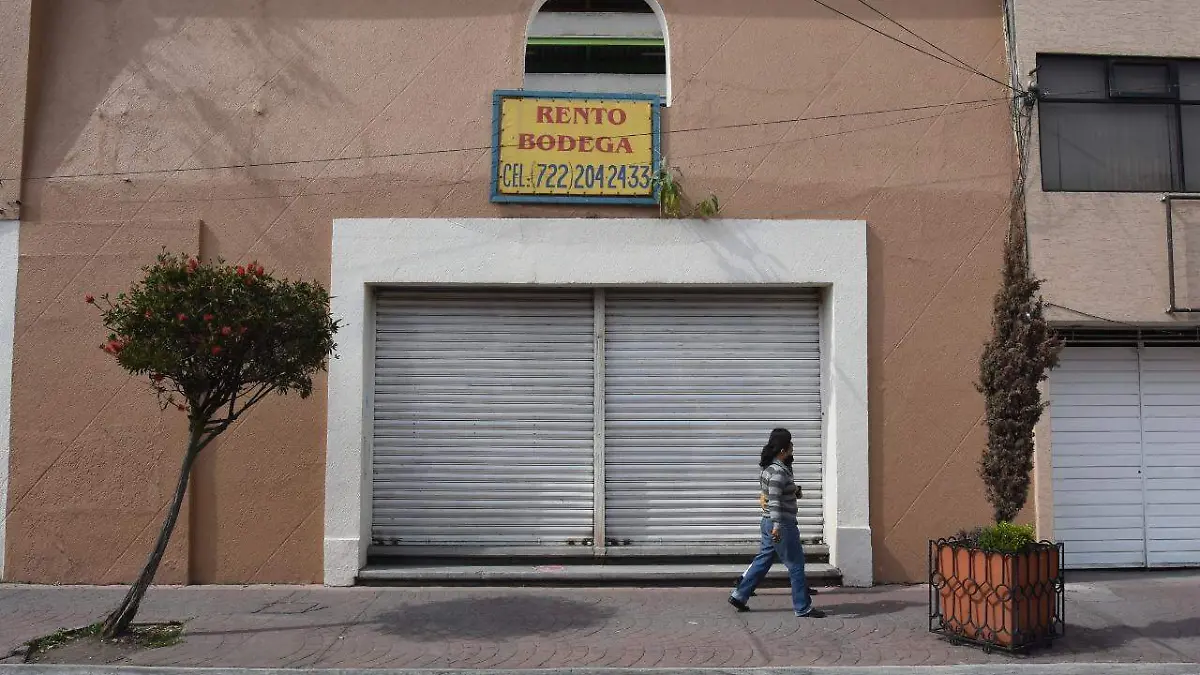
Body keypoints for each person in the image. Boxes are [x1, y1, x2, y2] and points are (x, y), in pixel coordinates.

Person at [728, 428, 825, 618]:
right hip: (781, 525)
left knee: (764, 560)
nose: (793, 447)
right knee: (796, 565)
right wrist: (777, 526)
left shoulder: (769, 468)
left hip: (768, 522)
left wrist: (794, 490)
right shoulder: (779, 472)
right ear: (783, 449)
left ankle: (740, 595)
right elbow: (774, 500)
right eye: (790, 444)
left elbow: (777, 492)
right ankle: (802, 607)